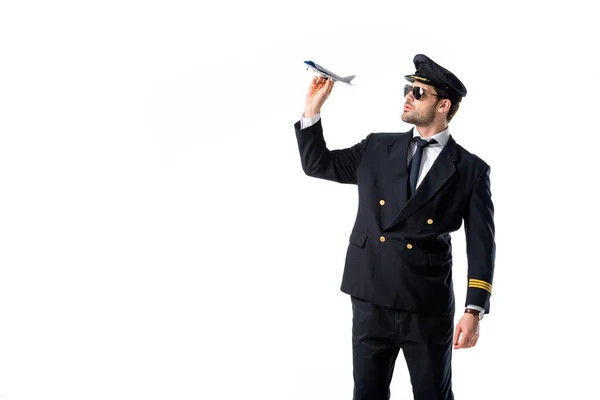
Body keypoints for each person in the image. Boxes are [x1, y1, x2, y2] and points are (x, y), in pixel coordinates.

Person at [293, 54, 496, 400]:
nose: (408, 96)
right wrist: (312, 110)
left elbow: (481, 245)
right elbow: (318, 164)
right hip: (371, 296)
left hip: (426, 304)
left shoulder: (470, 169)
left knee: (434, 394)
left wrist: (474, 309)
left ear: (443, 105)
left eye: (418, 92)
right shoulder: (377, 146)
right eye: (408, 88)